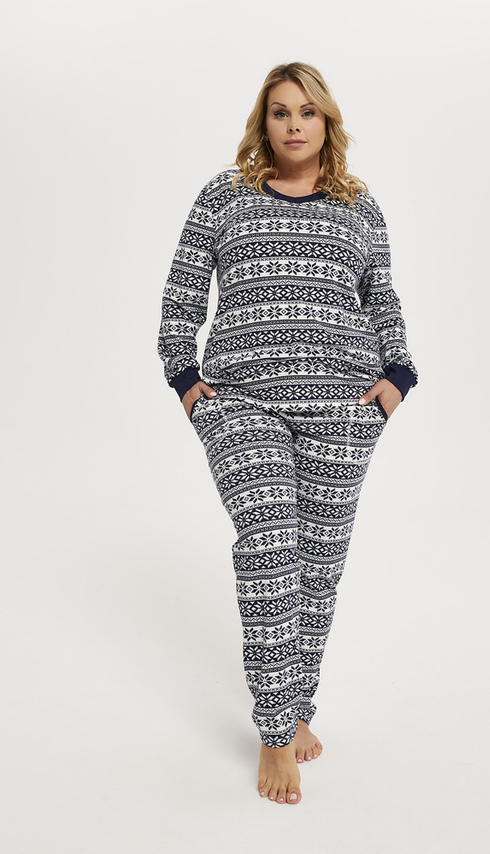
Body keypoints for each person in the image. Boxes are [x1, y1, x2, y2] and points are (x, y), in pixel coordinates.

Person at [157, 61, 418, 806]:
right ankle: (275, 732)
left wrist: (396, 379)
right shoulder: (224, 195)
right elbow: (180, 295)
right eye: (280, 112)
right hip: (241, 403)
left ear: (327, 121)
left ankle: (299, 703)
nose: (294, 124)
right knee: (270, 546)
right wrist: (188, 384)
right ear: (263, 122)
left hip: (343, 405)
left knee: (318, 565)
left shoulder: (358, 205)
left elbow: (381, 298)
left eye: (307, 111)